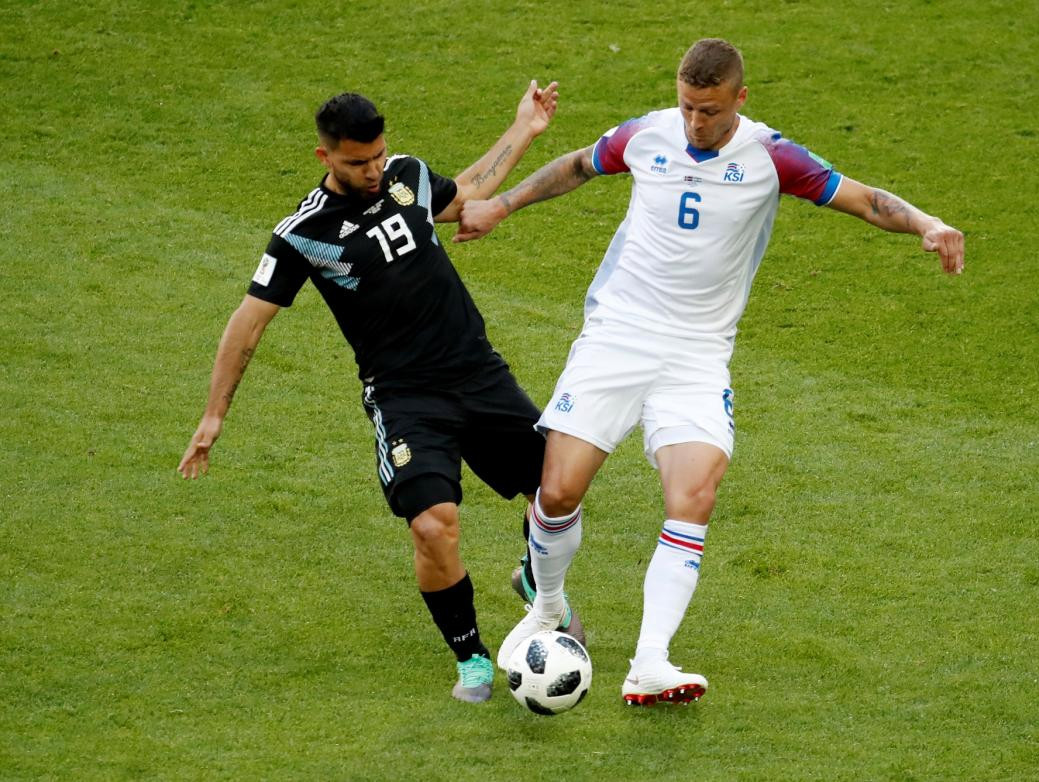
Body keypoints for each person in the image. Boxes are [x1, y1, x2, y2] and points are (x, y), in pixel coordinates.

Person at [454, 38, 965, 706]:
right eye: (689, 106)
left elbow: (867, 200)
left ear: (740, 100)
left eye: (711, 111)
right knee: (558, 492)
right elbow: (578, 165)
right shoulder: (646, 135)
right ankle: (547, 606)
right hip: (618, 338)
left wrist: (928, 223)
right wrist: (503, 205)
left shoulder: (771, 157)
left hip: (697, 355)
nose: (696, 122)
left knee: (694, 495)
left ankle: (650, 661)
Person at [177, 82, 585, 705]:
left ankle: (534, 578)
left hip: (477, 372)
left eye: (376, 156)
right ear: (325, 159)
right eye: (355, 163)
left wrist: (524, 127)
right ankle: (472, 655)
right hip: (405, 398)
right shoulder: (302, 235)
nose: (371, 171)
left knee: (556, 488)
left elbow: (467, 192)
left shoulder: (405, 176)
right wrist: (213, 417)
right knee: (433, 525)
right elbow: (247, 324)